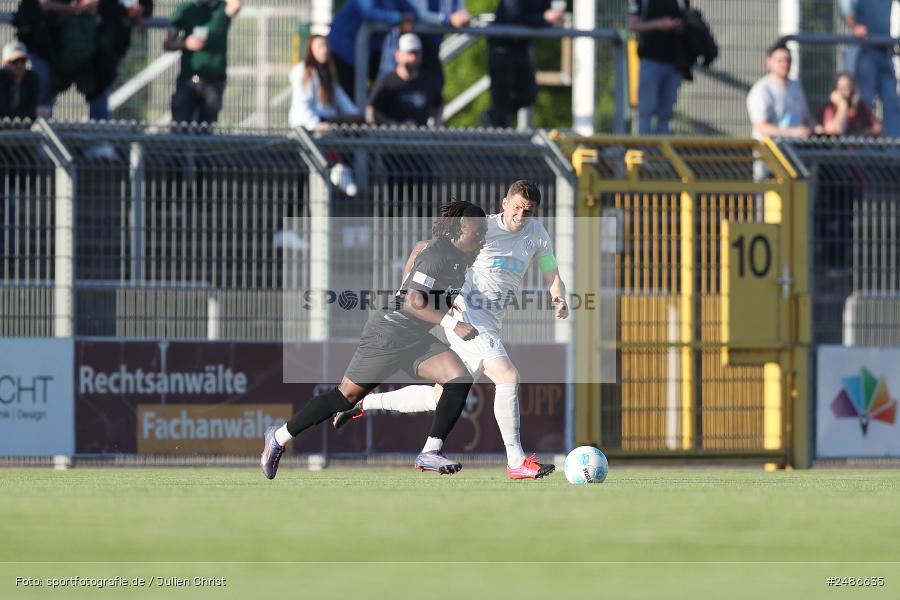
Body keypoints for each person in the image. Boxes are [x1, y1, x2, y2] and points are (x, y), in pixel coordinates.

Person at [333, 180, 568, 480]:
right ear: (504, 203)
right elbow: (424, 247)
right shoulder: (480, 226)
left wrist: (558, 297)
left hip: (490, 321)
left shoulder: (537, 235)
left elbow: (552, 272)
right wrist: (412, 282)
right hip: (468, 316)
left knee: (439, 397)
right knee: (507, 376)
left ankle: (364, 403)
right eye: (517, 207)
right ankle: (516, 460)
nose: (520, 216)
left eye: (528, 211)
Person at [261, 202, 488, 479]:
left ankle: (431, 452)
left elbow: (418, 250)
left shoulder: (455, 254)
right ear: (459, 231)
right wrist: (452, 322)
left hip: (415, 337)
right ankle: (279, 436)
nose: (482, 239)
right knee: (344, 397)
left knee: (458, 379)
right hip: (389, 334)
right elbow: (411, 301)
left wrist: (437, 299)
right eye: (478, 234)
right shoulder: (438, 254)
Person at [482, 0, 564, 128]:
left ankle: (492, 116)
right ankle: (498, 134)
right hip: (502, 48)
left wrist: (550, 18)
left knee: (528, 95)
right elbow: (515, 17)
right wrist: (543, 18)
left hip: (521, 49)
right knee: (501, 100)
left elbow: (548, 14)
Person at [164, 0, 242, 129]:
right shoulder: (185, 9)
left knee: (206, 128)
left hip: (214, 81)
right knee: (179, 125)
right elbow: (168, 44)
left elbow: (236, 5)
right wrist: (186, 44)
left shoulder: (222, 8)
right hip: (188, 79)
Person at [327, 0, 418, 100]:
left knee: (382, 92)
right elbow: (368, 12)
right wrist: (399, 18)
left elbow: (413, 13)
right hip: (343, 53)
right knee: (348, 99)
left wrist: (407, 19)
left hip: (368, 53)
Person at [628, 0, 691, 135]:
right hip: (651, 60)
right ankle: (646, 153)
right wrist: (659, 24)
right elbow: (633, 25)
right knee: (646, 111)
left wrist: (679, 25)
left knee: (666, 114)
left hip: (674, 63)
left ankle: (661, 154)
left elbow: (687, 21)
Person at [840, 0, 900, 138]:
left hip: (885, 50)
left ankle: (893, 147)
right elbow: (846, 8)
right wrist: (855, 27)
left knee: (892, 101)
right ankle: (863, 146)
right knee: (864, 101)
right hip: (865, 50)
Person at [379, 0, 470, 89]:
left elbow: (462, 14)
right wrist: (448, 20)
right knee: (397, 86)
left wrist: (464, 19)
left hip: (433, 48)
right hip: (412, 43)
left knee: (435, 85)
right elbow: (419, 13)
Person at [90, 0, 152, 120]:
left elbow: (146, 8)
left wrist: (138, 11)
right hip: (85, 40)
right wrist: (124, 10)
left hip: (112, 45)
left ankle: (97, 131)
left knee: (101, 87)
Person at [289, 29, 360, 131]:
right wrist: (315, 125)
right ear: (310, 49)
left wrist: (357, 117)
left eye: (326, 46)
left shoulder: (327, 74)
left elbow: (343, 101)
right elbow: (302, 105)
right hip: (308, 129)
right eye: (320, 46)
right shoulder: (303, 71)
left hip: (326, 124)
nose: (325, 50)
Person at [366, 33, 443, 126]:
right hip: (390, 137)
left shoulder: (428, 81)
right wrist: (395, 126)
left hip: (419, 137)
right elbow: (371, 112)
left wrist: (437, 126)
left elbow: (439, 104)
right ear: (398, 55)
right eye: (409, 53)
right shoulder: (386, 82)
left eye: (416, 53)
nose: (413, 58)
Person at [746, 41, 813, 140]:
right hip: (770, 152)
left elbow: (806, 118)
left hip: (796, 148)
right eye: (780, 60)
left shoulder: (796, 86)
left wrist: (819, 129)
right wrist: (792, 133)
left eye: (788, 60)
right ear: (769, 62)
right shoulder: (761, 90)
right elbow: (761, 127)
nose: (785, 64)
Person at [817, 72, 881, 136]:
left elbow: (877, 128)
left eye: (847, 88)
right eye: (841, 89)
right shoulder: (829, 108)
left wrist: (858, 134)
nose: (845, 93)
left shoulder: (860, 106)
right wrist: (843, 106)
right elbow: (835, 131)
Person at [0, 42, 43, 120]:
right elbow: (4, 112)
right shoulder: (2, 80)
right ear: (5, 63)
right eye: (14, 61)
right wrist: (32, 112)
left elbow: (35, 105)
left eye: (23, 61)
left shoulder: (31, 79)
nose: (19, 65)